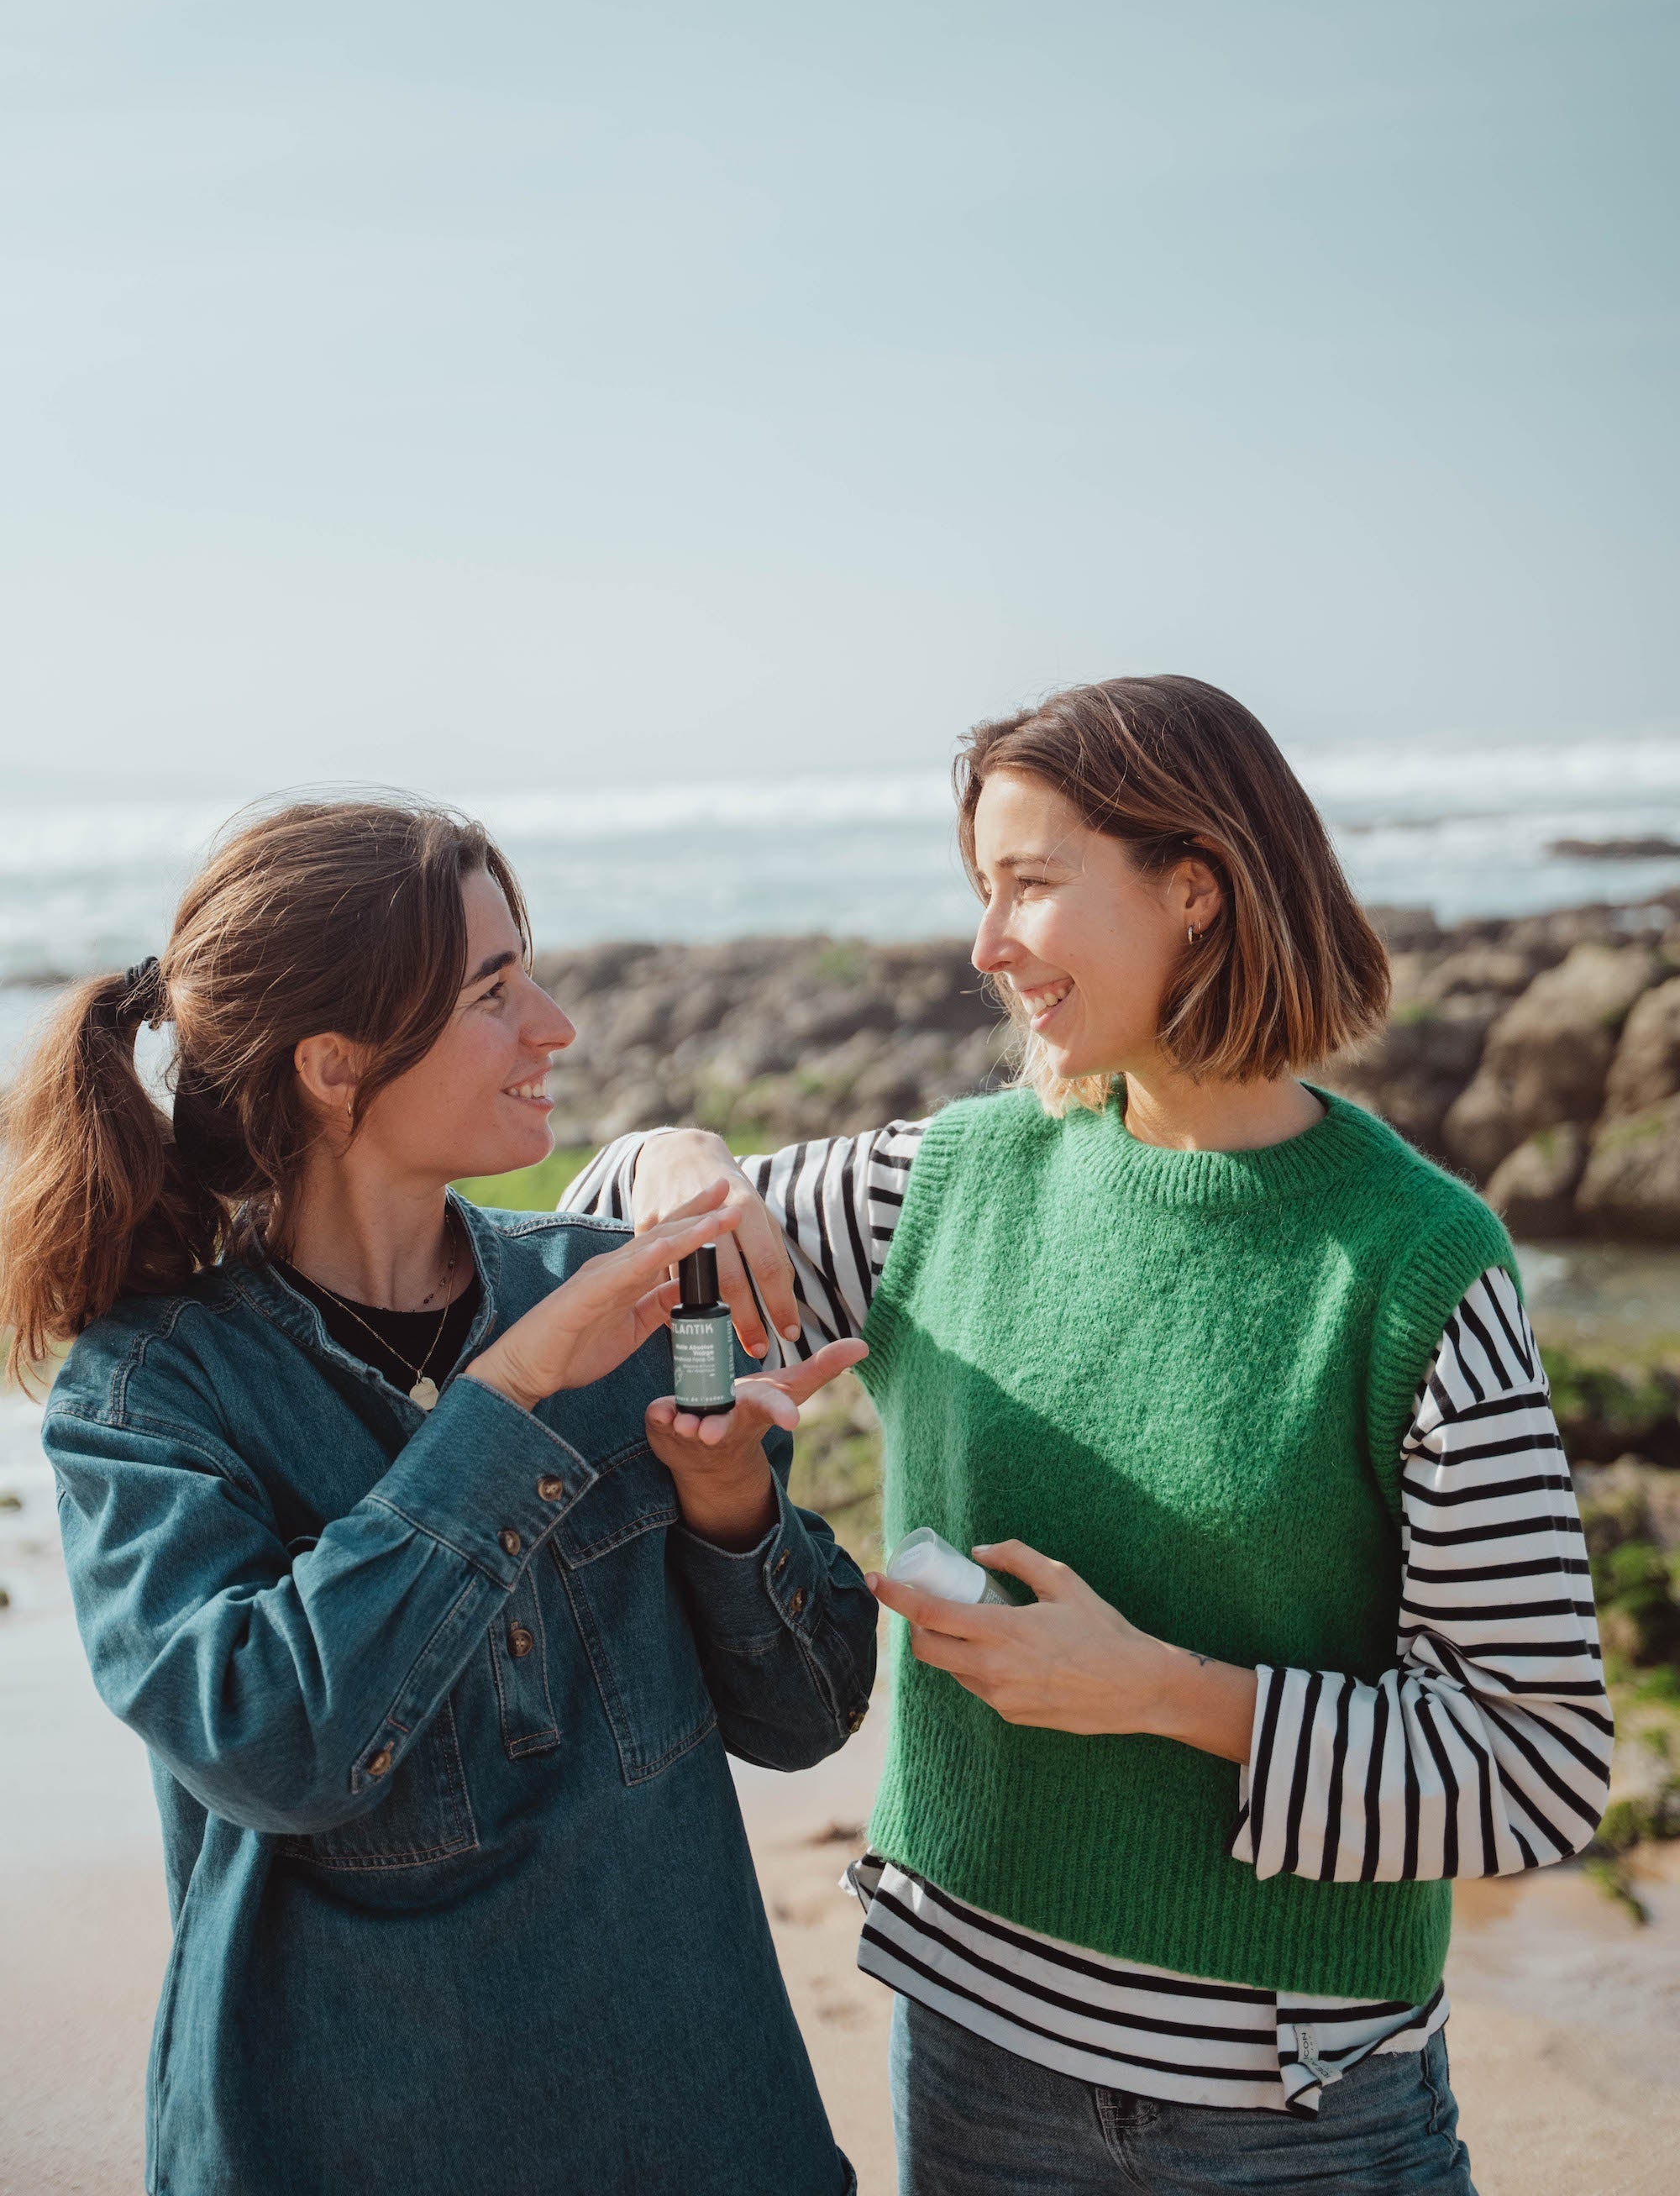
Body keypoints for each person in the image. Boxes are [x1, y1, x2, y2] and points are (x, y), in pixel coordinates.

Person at [571, 675, 1612, 2196]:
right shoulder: (940, 1185)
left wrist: (1172, 1696)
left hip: (1300, 2117)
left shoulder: (1417, 1267)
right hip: (971, 2072)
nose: (986, 946)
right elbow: (590, 1259)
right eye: (980, 891)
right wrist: (668, 1154)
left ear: (1195, 889)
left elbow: (1537, 1765)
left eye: (1031, 887)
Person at [0, 796, 876, 2196]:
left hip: (706, 2128)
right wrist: (506, 1399)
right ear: (336, 1067)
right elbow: (272, 1743)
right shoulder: (147, 1396)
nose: (557, 1029)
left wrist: (731, 1509)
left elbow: (812, 1713)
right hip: (338, 2139)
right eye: (493, 993)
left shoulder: (616, 1296)